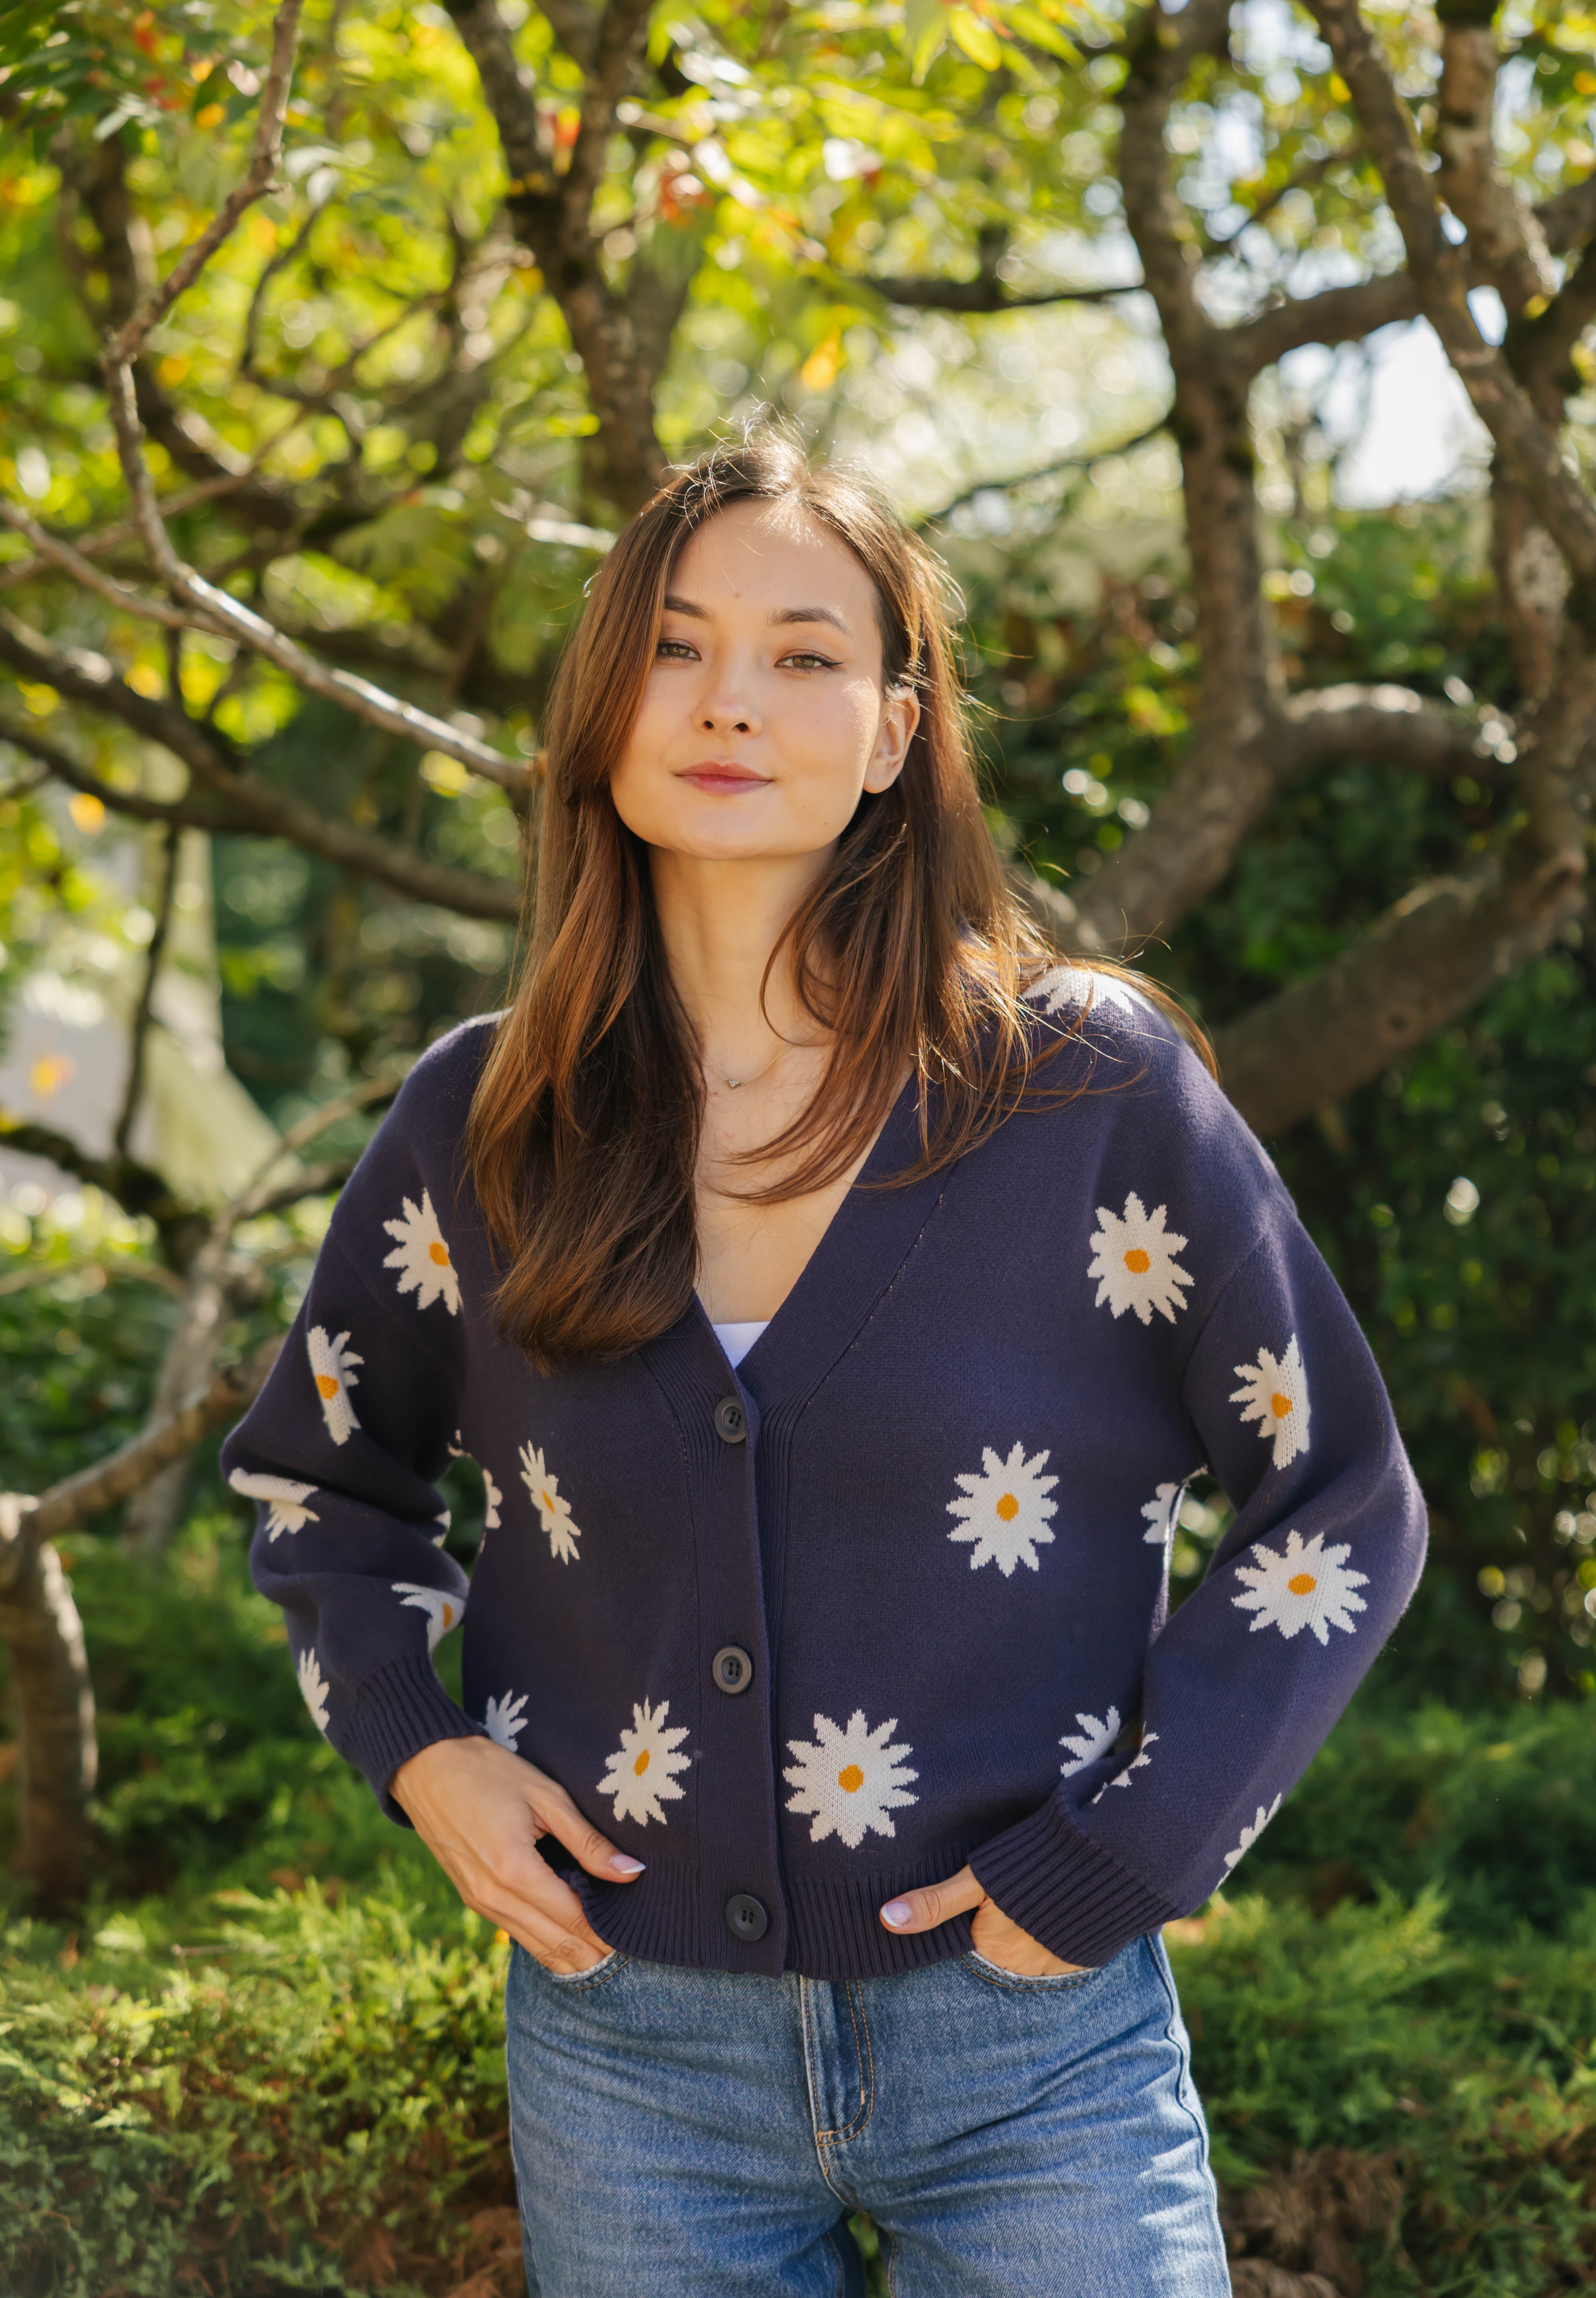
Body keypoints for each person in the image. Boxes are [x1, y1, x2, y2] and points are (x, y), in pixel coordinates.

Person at [223, 429, 1428, 2297]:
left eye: (803, 653)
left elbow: (1341, 1500)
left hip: (1032, 2046)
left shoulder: (1080, 1090)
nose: (729, 701)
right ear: (605, 709)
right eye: (678, 645)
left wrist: (1135, 1850)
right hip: (626, 2051)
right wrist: (420, 1749)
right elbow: (322, 1482)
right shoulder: (486, 1116)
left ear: (891, 731)